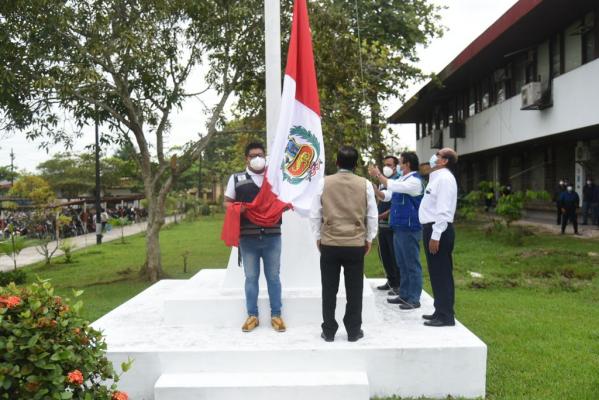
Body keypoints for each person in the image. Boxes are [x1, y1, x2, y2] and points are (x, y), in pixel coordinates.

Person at [310, 145, 378, 342]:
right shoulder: (364, 184)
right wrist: (369, 238)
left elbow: (315, 214)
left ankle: (329, 330)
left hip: (330, 242)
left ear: (337, 162)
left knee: (329, 289)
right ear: (356, 164)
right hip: (355, 243)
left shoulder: (324, 183)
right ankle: (354, 331)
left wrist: (317, 236)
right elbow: (372, 215)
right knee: (355, 290)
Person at [224, 142, 286, 333]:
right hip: (248, 238)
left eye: (260, 154)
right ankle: (252, 316)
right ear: (246, 158)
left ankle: (276, 315)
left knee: (273, 278)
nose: (257, 158)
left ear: (265, 156)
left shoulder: (275, 178)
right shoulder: (236, 179)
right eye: (253, 156)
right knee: (251, 278)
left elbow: (286, 197)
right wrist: (238, 208)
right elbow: (227, 202)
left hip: (272, 236)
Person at [369, 151, 425, 310]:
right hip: (399, 227)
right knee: (402, 263)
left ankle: (414, 298)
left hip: (409, 228)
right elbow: (386, 195)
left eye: (400, 163)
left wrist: (378, 174)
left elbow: (392, 185)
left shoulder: (415, 181)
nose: (399, 166)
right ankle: (405, 294)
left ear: (407, 164)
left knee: (411, 264)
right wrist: (374, 188)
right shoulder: (402, 179)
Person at [419, 147, 459, 327]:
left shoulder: (444, 179)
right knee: (436, 273)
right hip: (433, 229)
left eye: (438, 155)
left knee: (442, 273)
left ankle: (446, 316)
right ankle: (439, 310)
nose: (434, 157)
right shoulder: (437, 177)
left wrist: (436, 236)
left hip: (439, 230)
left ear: (444, 161)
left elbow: (443, 211)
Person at [373, 155, 401, 295]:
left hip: (392, 223)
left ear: (396, 166)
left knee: (394, 254)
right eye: (385, 164)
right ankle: (390, 280)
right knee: (384, 254)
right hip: (381, 223)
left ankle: (398, 283)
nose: (386, 167)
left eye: (389, 165)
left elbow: (394, 202)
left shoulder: (397, 181)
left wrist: (384, 215)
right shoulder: (383, 181)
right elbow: (380, 198)